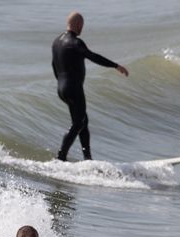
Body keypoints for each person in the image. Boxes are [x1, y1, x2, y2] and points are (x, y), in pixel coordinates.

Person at [52, 11, 129, 162]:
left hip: (61, 88)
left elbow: (54, 65)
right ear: (80, 25)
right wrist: (115, 66)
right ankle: (60, 158)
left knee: (83, 122)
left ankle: (88, 159)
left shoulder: (56, 42)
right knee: (79, 123)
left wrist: (62, 84)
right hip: (73, 88)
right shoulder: (75, 42)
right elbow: (93, 56)